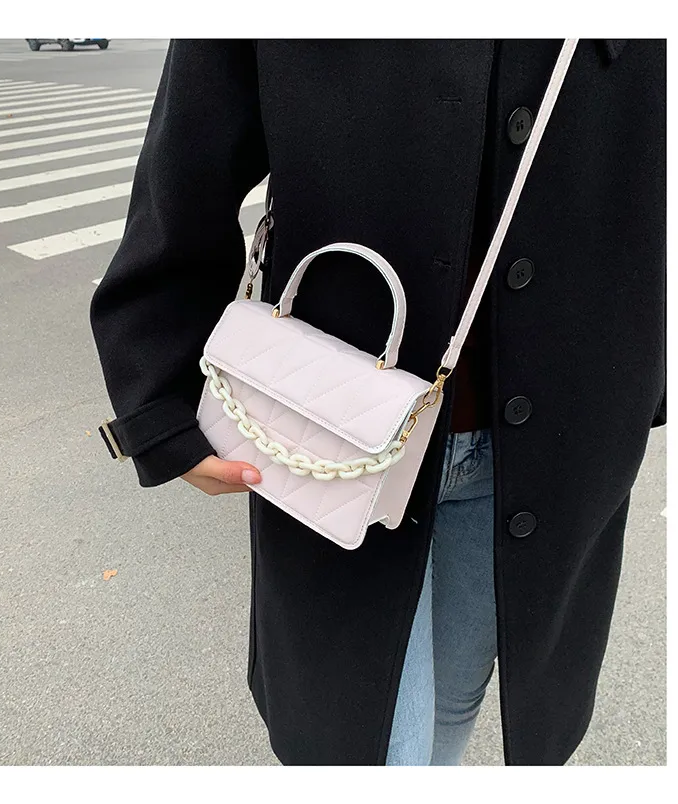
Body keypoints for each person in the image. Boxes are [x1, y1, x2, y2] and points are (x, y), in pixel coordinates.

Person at [90, 39, 666, 765]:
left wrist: (647, 372)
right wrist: (159, 402)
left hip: (562, 431)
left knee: (452, 704)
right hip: (334, 431)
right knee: (360, 740)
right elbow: (186, 157)